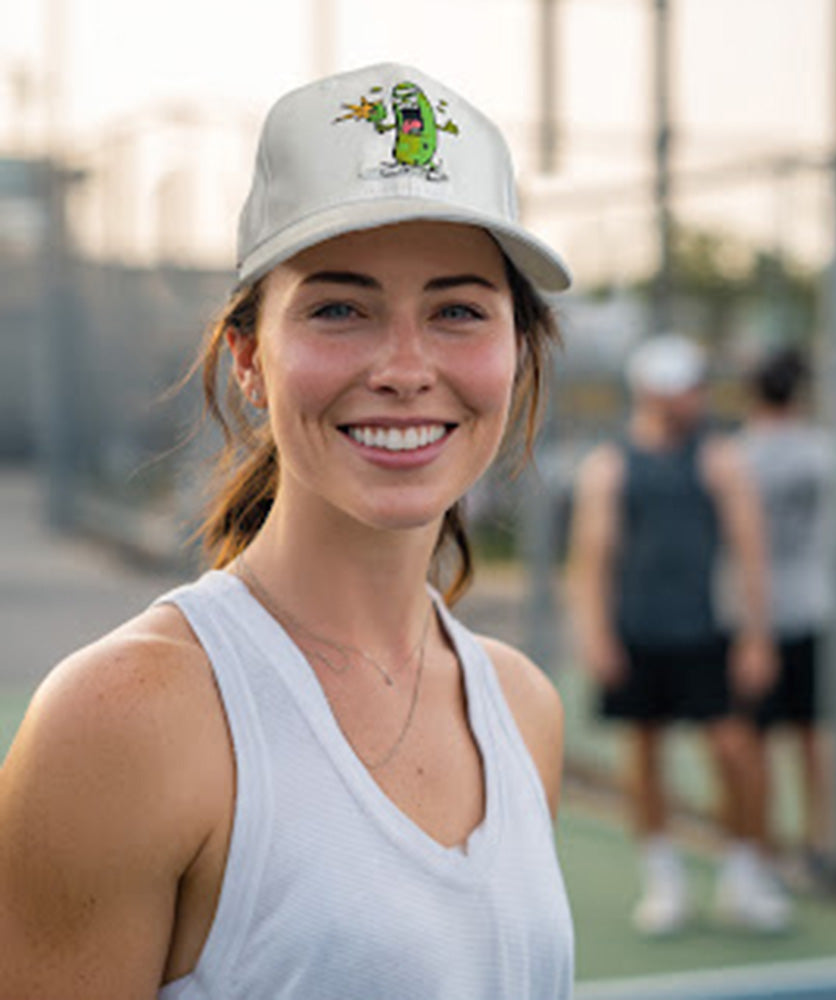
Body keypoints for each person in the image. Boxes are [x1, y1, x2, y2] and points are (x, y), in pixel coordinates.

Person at [0, 64, 575, 999]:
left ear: (517, 348)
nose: (404, 368)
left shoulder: (523, 708)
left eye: (458, 311)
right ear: (248, 357)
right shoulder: (122, 717)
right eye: (339, 308)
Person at [568, 333, 790, 936]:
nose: (692, 399)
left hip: (704, 634)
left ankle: (746, 875)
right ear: (651, 392)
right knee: (643, 754)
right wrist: (596, 634)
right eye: (682, 389)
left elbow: (750, 552)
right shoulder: (610, 465)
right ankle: (663, 881)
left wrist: (757, 637)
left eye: (695, 388)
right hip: (636, 633)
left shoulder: (721, 459)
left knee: (735, 751)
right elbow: (592, 558)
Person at [737, 346, 834, 875]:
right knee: (812, 732)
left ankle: (765, 848)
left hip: (751, 613)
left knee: (756, 738)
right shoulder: (823, 453)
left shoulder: (737, 456)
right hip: (811, 605)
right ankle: (820, 842)